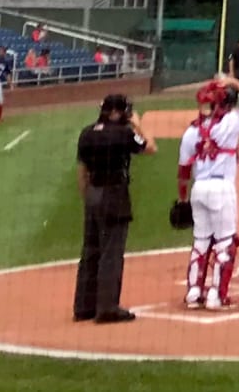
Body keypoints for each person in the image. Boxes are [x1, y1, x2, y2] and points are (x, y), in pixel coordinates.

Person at [74, 92, 155, 323]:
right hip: (114, 195)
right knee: (111, 253)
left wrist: (88, 198)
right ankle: (107, 308)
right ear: (116, 112)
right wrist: (138, 125)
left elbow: (82, 171)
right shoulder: (123, 133)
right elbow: (150, 147)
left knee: (90, 251)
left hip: (92, 194)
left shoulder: (87, 133)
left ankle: (83, 307)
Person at [177, 76, 239, 309]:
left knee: (201, 241)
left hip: (199, 190)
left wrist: (182, 199)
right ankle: (216, 296)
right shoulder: (231, 122)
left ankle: (193, 293)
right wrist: (234, 82)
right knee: (226, 242)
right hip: (221, 189)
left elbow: (184, 170)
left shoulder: (191, 132)